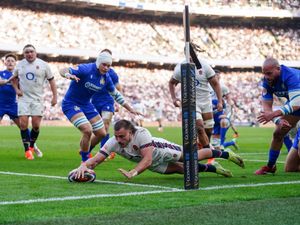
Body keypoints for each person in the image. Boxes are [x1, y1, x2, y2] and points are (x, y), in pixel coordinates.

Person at [71, 119, 245, 180]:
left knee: (192, 157)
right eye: (116, 136)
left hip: (162, 151)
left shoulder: (142, 134)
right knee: (182, 171)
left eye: (122, 136)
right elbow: (97, 160)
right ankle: (216, 169)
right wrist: (84, 166)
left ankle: (226, 154)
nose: (118, 140)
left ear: (131, 132)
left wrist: (133, 172)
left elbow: (147, 159)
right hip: (150, 162)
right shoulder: (113, 142)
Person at [59, 51, 141, 163]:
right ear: (98, 63)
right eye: (104, 64)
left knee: (102, 133)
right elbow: (63, 70)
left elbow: (116, 94)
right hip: (71, 103)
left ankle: (87, 151)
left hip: (87, 105)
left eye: (109, 65)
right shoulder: (86, 69)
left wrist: (130, 108)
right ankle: (85, 161)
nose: (106, 68)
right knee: (87, 130)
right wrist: (68, 75)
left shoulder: (107, 77)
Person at [9, 45, 57, 160]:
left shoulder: (44, 65)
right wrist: (16, 90)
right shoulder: (20, 65)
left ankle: (31, 147)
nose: (29, 54)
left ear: (36, 53)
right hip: (23, 99)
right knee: (23, 125)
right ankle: (27, 151)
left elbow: (52, 80)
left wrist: (55, 96)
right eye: (26, 52)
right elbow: (13, 79)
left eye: (31, 52)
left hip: (37, 99)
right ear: (24, 54)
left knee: (35, 126)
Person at [256, 57, 300, 175]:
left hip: (297, 103)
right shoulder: (267, 81)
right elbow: (266, 107)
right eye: (264, 74)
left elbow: (297, 103)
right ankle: (270, 166)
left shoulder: (291, 76)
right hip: (295, 106)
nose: (267, 77)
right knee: (278, 132)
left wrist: (275, 114)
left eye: (269, 73)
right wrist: (277, 121)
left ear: (278, 69)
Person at [169, 57, 223, 149]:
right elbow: (171, 82)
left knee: (209, 130)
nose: (191, 57)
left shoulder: (204, 65)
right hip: (191, 103)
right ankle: (208, 151)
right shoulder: (180, 68)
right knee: (199, 127)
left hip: (205, 101)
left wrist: (220, 101)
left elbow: (215, 83)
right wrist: (174, 98)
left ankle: (202, 146)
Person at [91, 49, 121, 158]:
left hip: (107, 102)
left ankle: (104, 151)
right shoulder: (92, 71)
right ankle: (88, 149)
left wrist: (117, 103)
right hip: (94, 102)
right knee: (96, 129)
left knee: (106, 124)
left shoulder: (112, 74)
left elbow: (118, 88)